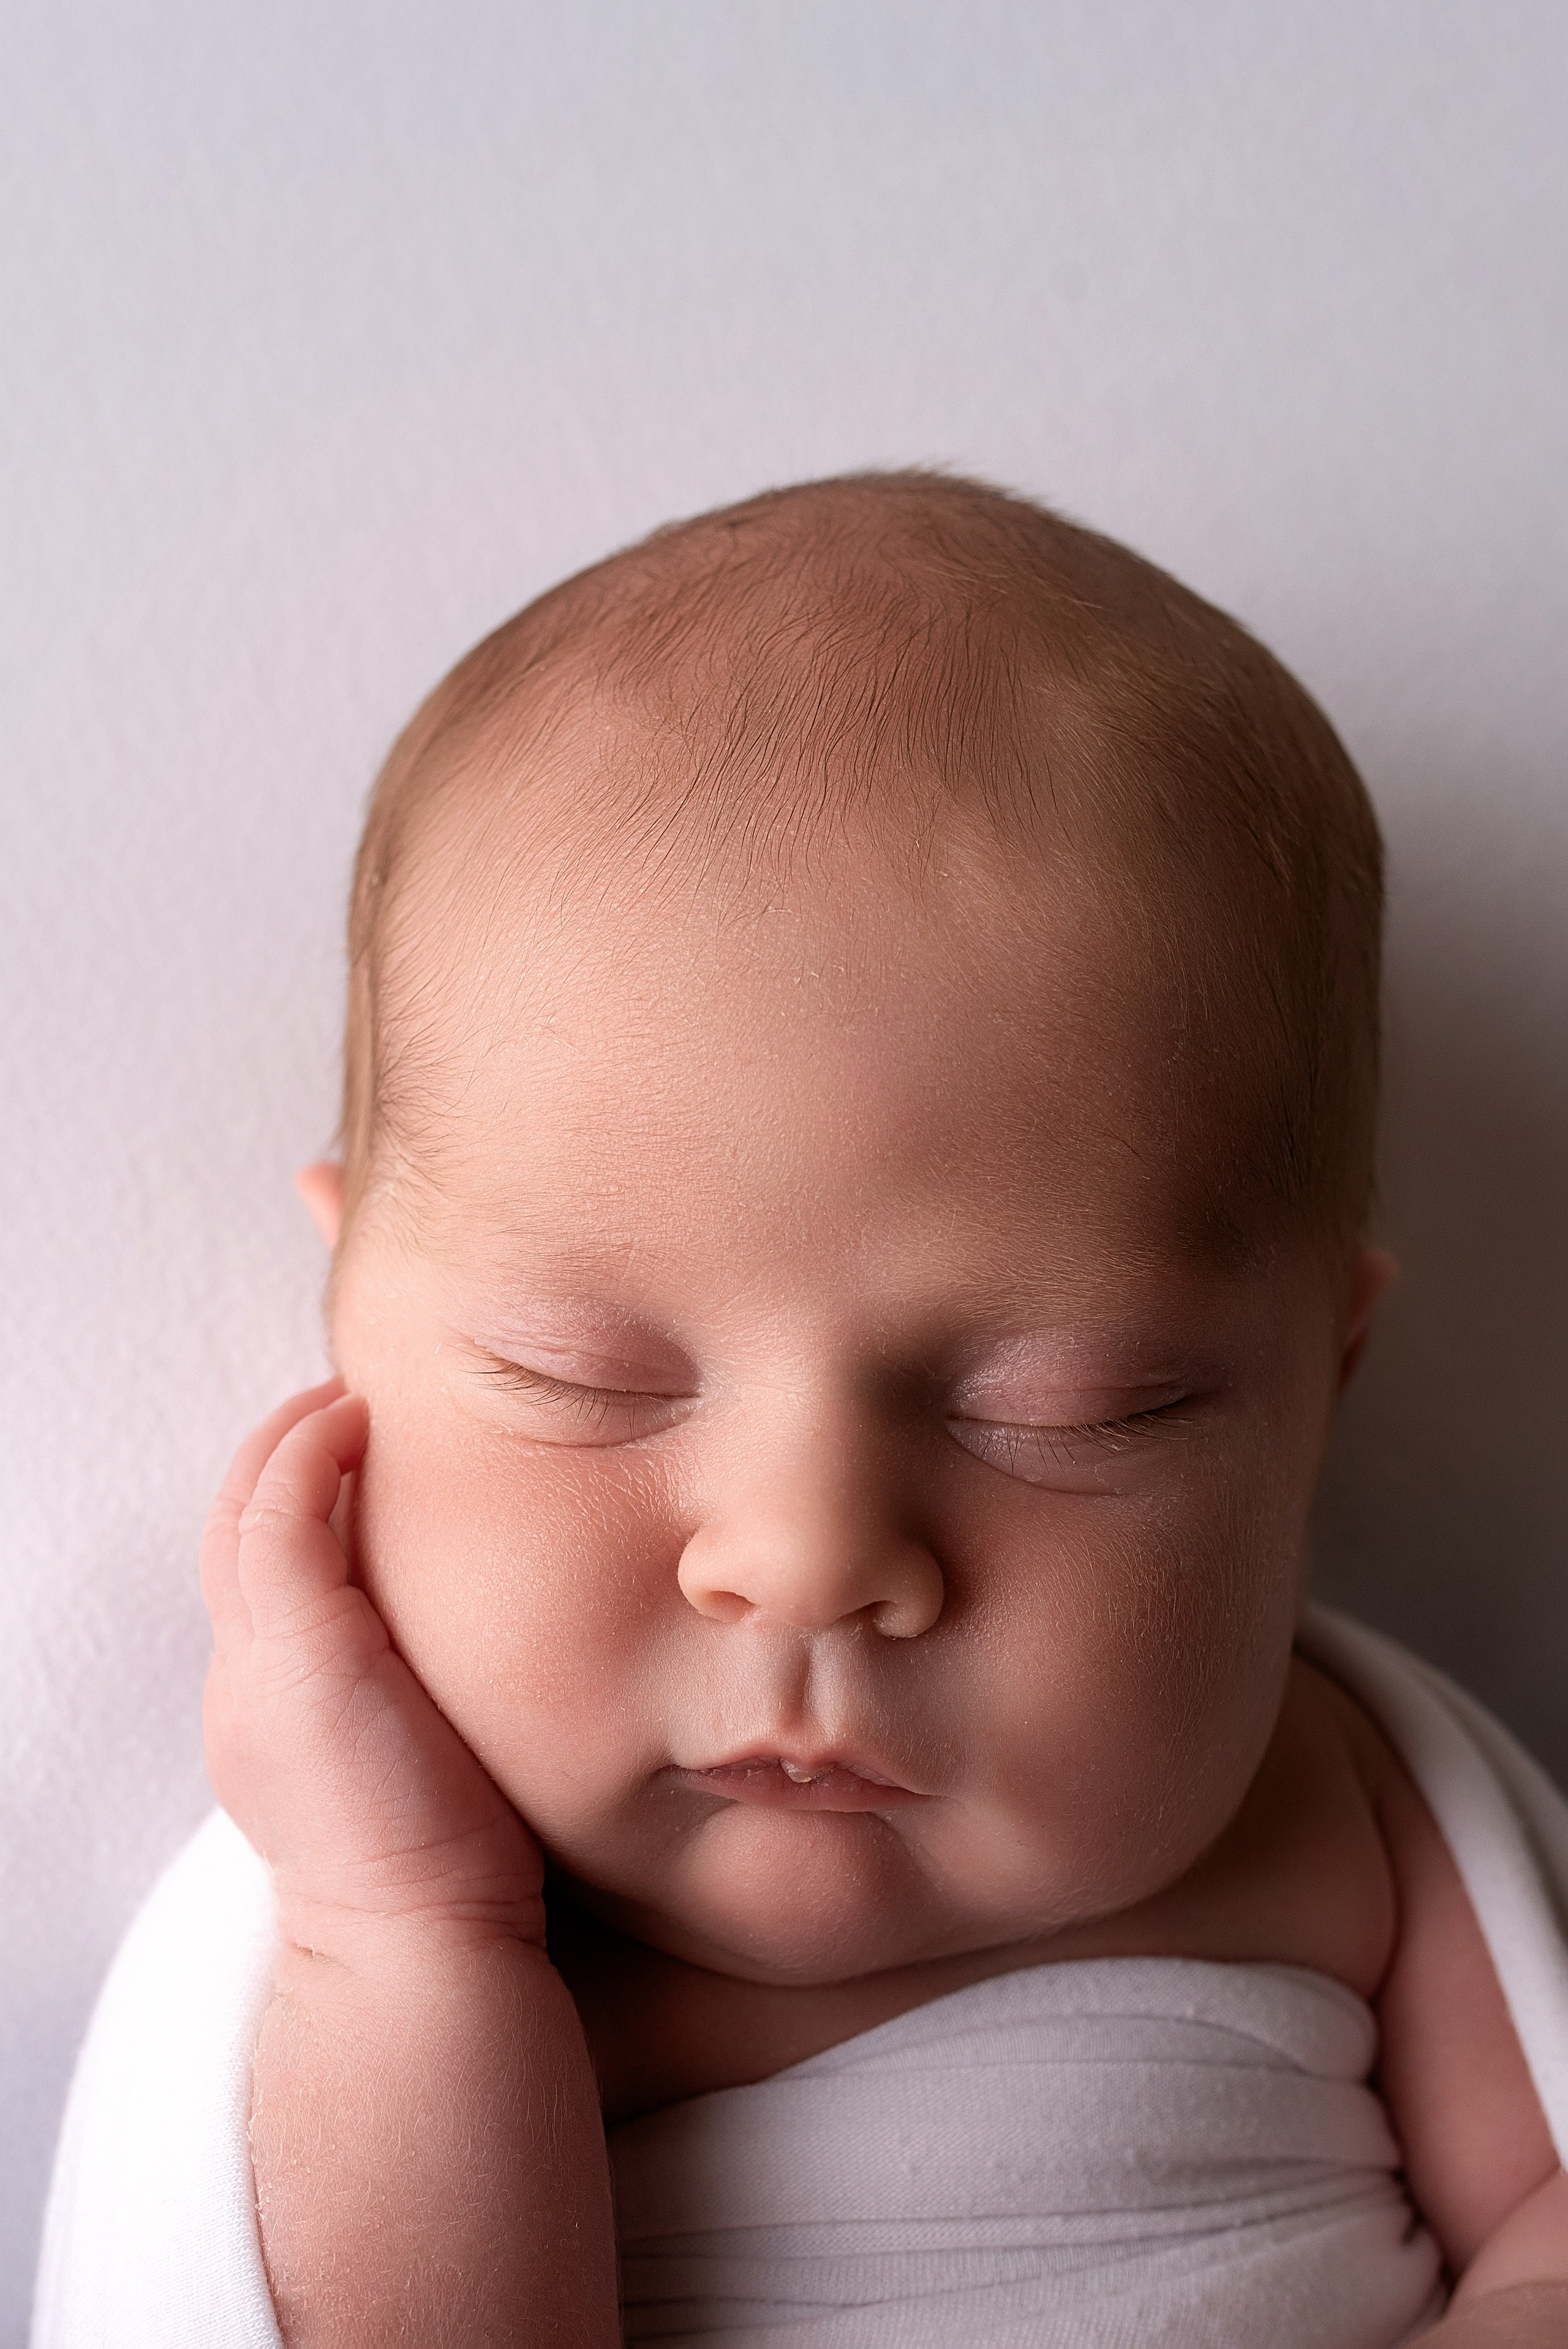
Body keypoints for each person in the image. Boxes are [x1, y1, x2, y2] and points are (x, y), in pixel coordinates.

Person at [34, 473, 1568, 2347]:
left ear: (1314, 1388)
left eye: (1071, 1403)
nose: (809, 1556)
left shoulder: (1355, 1827)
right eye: (582, 1375)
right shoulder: (410, 1930)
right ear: (351, 1326)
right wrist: (410, 1933)